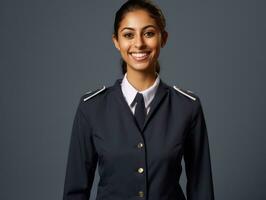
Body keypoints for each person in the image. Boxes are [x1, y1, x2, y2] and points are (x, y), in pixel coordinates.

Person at [63, 0, 215, 200]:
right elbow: (75, 192)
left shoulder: (187, 107)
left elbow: (201, 190)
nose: (139, 43)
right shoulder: (91, 108)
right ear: (116, 41)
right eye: (128, 35)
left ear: (163, 38)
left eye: (149, 33)